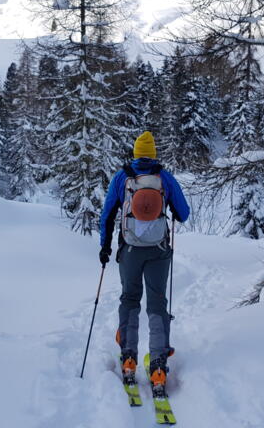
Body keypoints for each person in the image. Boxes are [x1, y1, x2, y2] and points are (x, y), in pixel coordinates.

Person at [99, 131, 190, 388]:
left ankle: (129, 359)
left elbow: (107, 214)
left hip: (130, 250)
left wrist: (105, 247)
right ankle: (158, 366)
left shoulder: (122, 177)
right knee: (157, 303)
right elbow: (183, 214)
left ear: (136, 153)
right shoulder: (165, 178)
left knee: (130, 299)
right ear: (154, 154)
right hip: (159, 250)